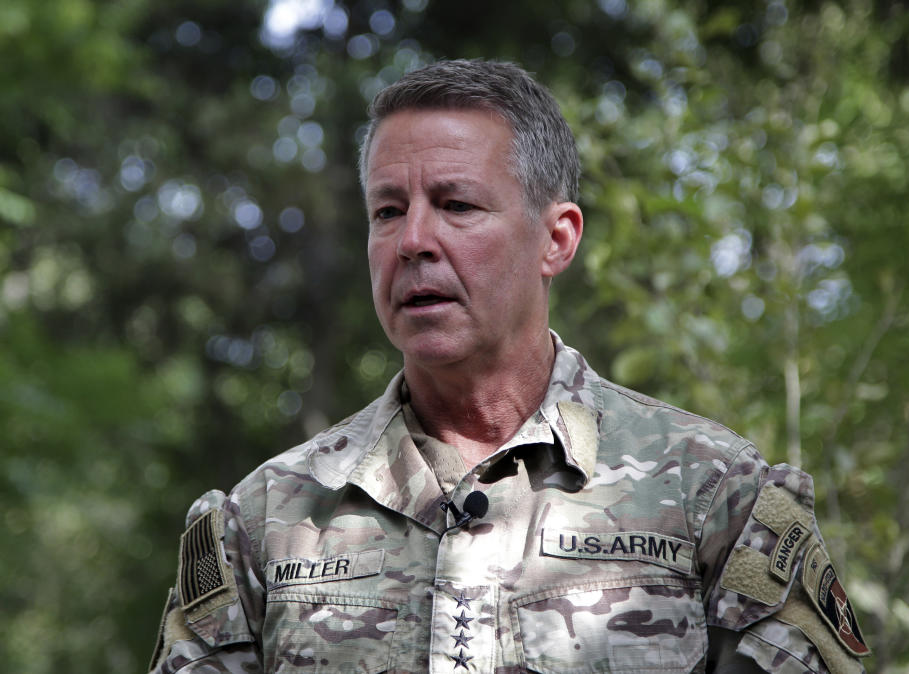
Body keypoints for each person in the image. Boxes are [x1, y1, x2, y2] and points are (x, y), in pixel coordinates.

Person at [149, 59, 869, 673]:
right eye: (388, 211)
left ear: (557, 239)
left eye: (457, 205)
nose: (413, 241)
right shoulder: (264, 520)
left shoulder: (714, 495)